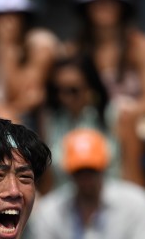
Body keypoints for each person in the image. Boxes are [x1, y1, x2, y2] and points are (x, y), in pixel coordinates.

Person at [70, 0, 145, 187]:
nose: (104, 8)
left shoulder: (140, 45)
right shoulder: (74, 49)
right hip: (92, 118)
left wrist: (124, 112)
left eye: (110, 2)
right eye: (97, 2)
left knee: (122, 118)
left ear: (123, 6)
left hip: (139, 122)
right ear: (86, 7)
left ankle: (135, 193)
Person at [38, 53, 120, 191]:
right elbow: (48, 179)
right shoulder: (51, 120)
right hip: (65, 204)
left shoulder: (116, 116)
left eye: (73, 90)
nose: (64, 97)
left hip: (111, 200)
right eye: (58, 90)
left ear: (91, 88)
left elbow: (132, 173)